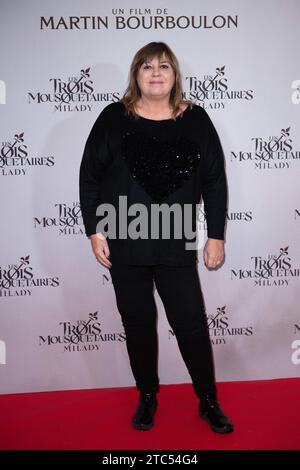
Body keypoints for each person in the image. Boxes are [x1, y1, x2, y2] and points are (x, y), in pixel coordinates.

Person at [79, 42, 234, 434]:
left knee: (191, 325)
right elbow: (90, 176)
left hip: (174, 239)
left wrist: (216, 234)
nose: (155, 73)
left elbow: (215, 180)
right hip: (124, 240)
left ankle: (208, 400)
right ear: (136, 74)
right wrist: (94, 229)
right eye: (147, 66)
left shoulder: (196, 119)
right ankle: (147, 396)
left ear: (174, 75)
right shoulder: (114, 118)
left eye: (164, 66)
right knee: (138, 324)